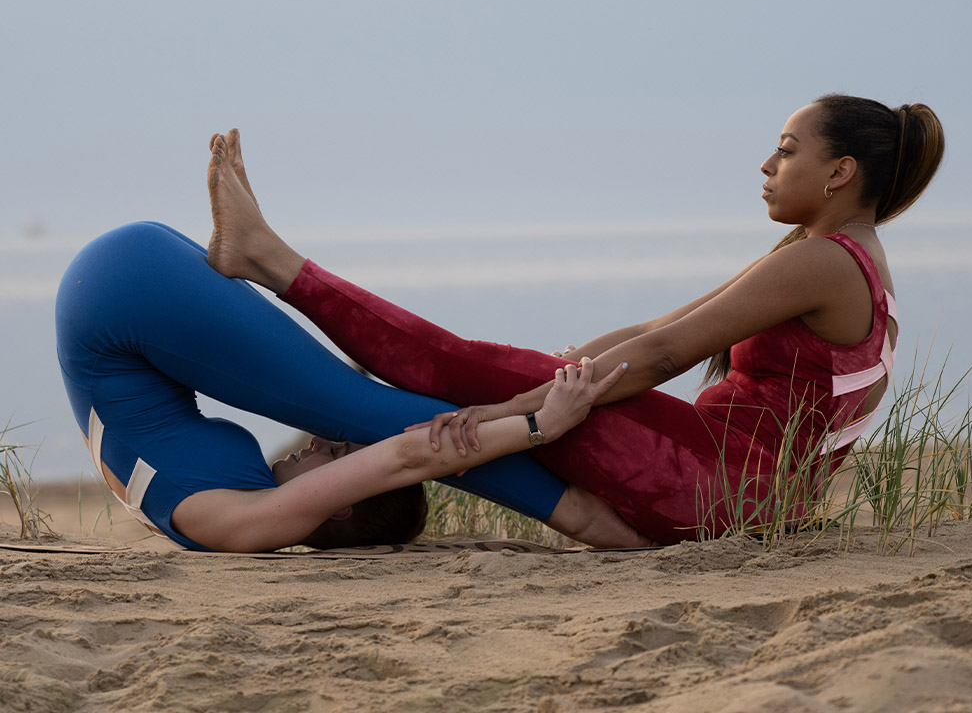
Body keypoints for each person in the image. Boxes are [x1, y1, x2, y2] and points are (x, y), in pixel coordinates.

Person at [201, 94, 944, 545]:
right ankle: (344, 505)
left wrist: (524, 404)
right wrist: (546, 378)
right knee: (490, 374)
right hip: (743, 491)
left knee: (463, 365)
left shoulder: (822, 262)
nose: (766, 166)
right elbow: (657, 329)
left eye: (786, 151)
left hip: (716, 482)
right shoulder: (839, 258)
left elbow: (660, 358)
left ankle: (270, 261)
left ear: (840, 171)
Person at [56, 220, 637, 553]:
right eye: (338, 453)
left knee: (359, 410)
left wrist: (542, 426)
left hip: (124, 295)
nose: (319, 445)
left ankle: (588, 518)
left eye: (335, 457)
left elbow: (406, 457)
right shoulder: (223, 518)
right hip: (121, 291)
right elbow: (403, 457)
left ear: (336, 509)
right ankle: (591, 519)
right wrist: (538, 424)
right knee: (357, 406)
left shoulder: (249, 524)